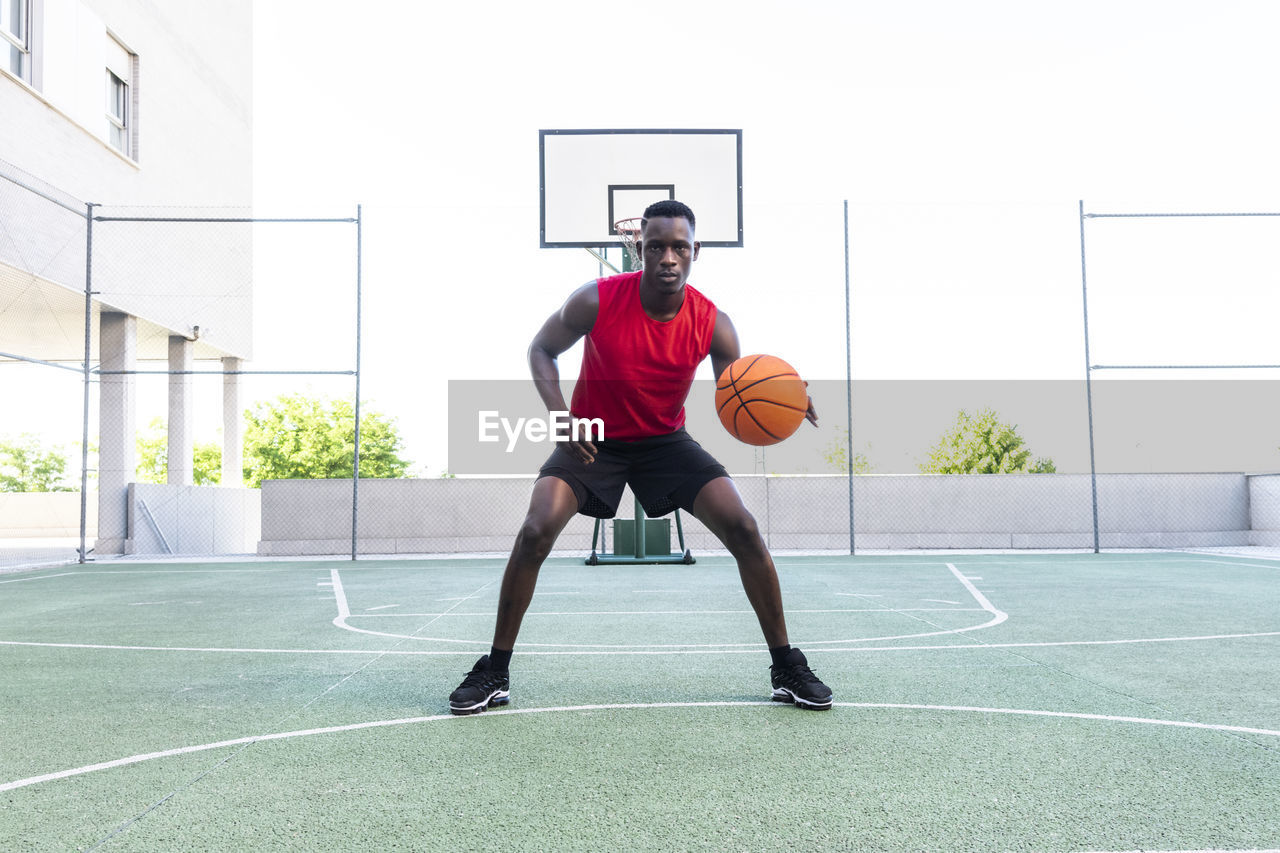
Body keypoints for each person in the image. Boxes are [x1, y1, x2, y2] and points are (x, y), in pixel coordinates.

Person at [448, 199, 833, 714]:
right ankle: (494, 671)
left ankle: (787, 666)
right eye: (656, 247)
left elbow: (736, 392)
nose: (668, 257)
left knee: (743, 527)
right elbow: (542, 349)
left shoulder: (714, 323)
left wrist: (784, 397)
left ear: (696, 251)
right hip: (592, 437)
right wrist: (560, 416)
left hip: (664, 443)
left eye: (679, 247)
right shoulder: (596, 300)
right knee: (535, 531)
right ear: (639, 248)